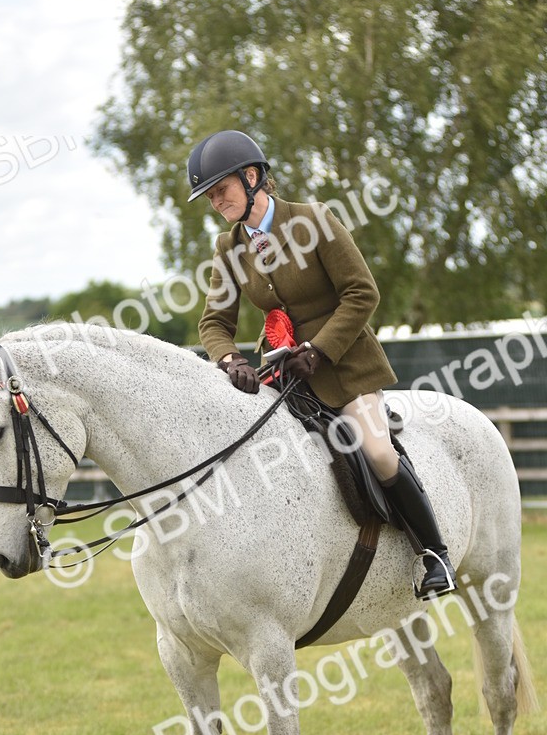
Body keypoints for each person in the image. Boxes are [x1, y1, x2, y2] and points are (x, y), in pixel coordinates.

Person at [188, 128, 457, 598]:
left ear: (252, 178)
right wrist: (231, 360)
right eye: (209, 196)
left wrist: (320, 349)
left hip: (347, 366)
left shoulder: (315, 220)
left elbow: (362, 293)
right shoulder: (229, 248)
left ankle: (434, 555)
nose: (215, 202)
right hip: (284, 374)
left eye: (221, 190)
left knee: (377, 451)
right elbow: (213, 322)